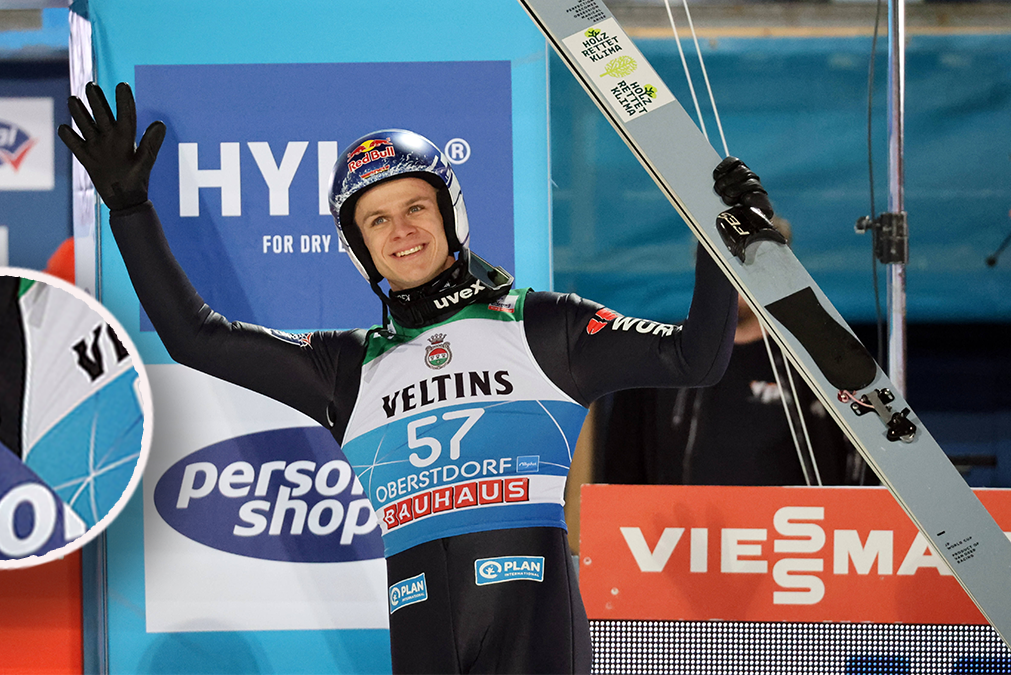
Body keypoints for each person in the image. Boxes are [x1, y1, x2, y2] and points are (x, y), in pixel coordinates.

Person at [59, 81, 768, 674]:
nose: (401, 231)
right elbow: (196, 337)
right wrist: (130, 211)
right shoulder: (345, 369)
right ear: (359, 248)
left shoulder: (542, 325)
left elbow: (695, 358)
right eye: (377, 221)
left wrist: (717, 239)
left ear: (449, 213)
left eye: (415, 207)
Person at [592, 217, 871, 487]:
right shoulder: (656, 357)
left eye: (751, 262)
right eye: (723, 260)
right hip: (678, 533)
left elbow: (861, 476)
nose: (735, 274)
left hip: (798, 532)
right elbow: (620, 478)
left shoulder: (824, 365)